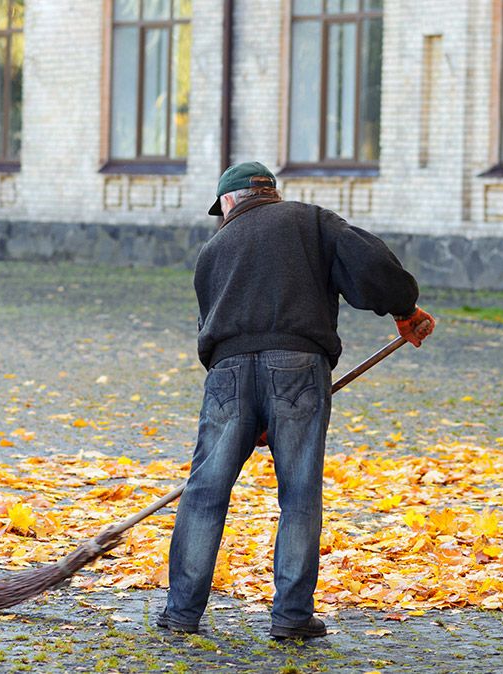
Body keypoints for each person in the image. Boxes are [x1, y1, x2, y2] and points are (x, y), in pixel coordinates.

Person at [157, 161, 435, 640]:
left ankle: (181, 613)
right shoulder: (312, 222)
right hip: (298, 370)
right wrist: (404, 309)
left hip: (226, 375)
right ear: (271, 193)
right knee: (299, 496)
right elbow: (372, 267)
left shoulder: (213, 250)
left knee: (204, 495)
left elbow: (211, 329)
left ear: (228, 202)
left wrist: (249, 411)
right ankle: (290, 618)